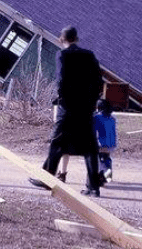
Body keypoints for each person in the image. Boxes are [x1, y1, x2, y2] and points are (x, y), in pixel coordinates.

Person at [28, 26, 105, 197]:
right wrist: (91, 102)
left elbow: (61, 80)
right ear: (76, 38)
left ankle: (48, 179)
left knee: (57, 143)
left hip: (68, 107)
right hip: (86, 108)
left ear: (61, 40)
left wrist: (63, 101)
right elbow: (99, 82)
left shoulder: (62, 55)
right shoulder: (90, 55)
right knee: (90, 147)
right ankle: (93, 188)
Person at [93, 100, 117, 183]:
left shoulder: (97, 117)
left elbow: (94, 130)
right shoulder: (112, 117)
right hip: (112, 142)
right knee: (107, 158)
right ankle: (108, 176)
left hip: (102, 142)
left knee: (102, 159)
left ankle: (103, 177)